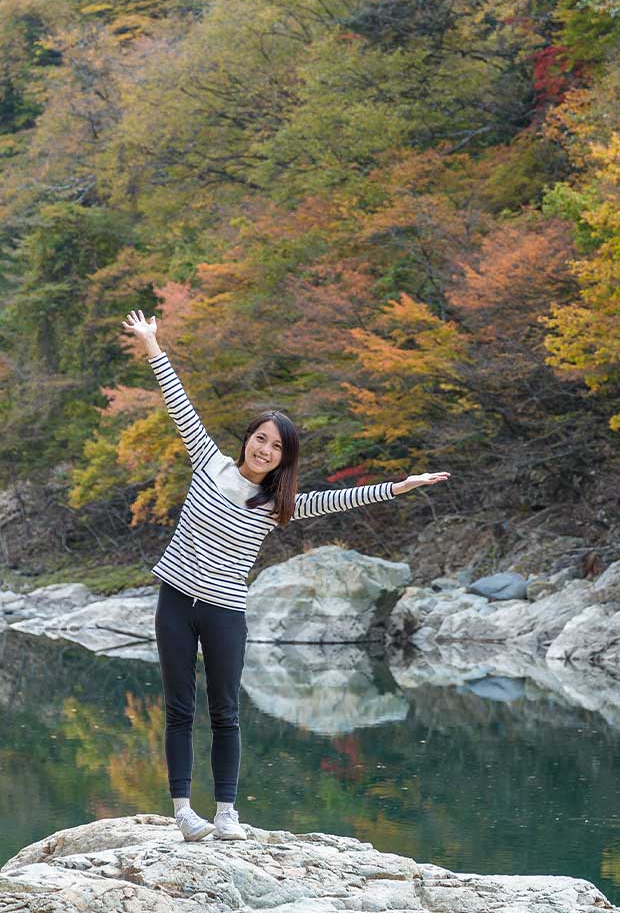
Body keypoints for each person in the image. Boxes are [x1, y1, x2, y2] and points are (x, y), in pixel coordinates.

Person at [121, 309, 449, 842]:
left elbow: (341, 498)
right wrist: (153, 344)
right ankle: (183, 811)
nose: (264, 448)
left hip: (226, 612)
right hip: (176, 602)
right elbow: (178, 402)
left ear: (282, 458)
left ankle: (226, 813)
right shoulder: (209, 463)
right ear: (247, 438)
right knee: (180, 707)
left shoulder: (280, 504)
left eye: (276, 446)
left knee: (225, 711)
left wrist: (397, 487)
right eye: (260, 438)